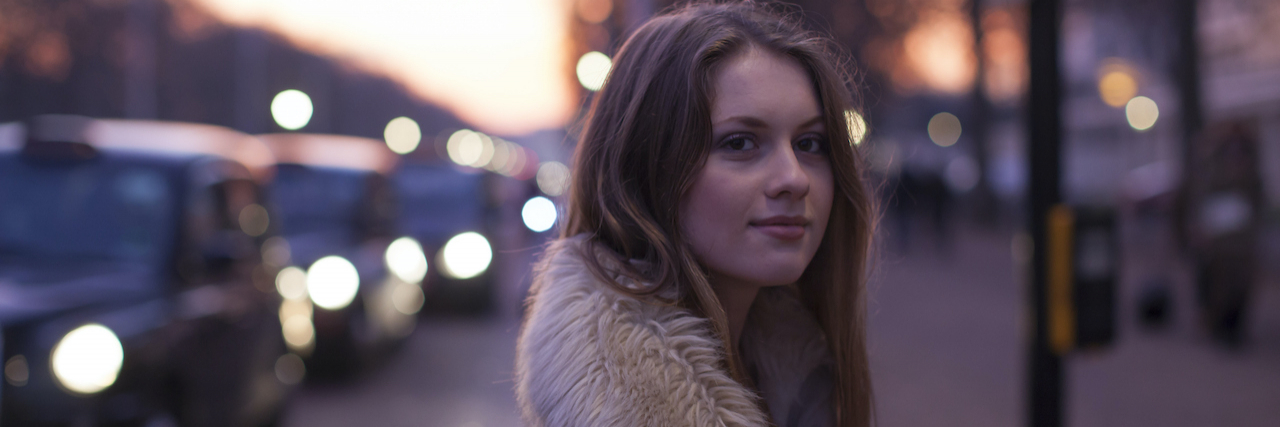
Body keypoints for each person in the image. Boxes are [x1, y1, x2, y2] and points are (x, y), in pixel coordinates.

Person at [514, 2, 875, 426]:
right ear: (644, 168)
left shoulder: (797, 369)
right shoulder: (618, 404)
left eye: (810, 143)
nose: (794, 179)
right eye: (740, 143)